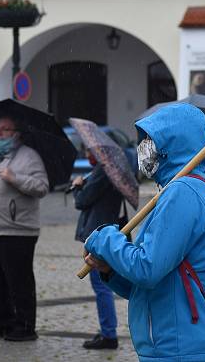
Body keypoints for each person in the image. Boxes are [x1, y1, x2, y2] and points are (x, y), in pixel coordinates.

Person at [83, 103, 205, 362]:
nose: (145, 147)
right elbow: (153, 284)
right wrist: (111, 270)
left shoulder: (184, 192)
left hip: (181, 347)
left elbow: (147, 268)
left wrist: (104, 238)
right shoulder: (177, 191)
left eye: (151, 139)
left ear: (173, 141)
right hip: (170, 345)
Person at [0, 115, 49, 341]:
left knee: (19, 281)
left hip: (17, 230)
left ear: (17, 133)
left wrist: (16, 179)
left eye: (5, 130)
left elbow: (42, 187)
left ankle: (26, 326)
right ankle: (3, 321)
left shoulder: (29, 157)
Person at [72, 150, 124, 350]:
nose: (87, 153)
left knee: (101, 286)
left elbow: (82, 200)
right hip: (104, 231)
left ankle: (109, 334)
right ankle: (106, 331)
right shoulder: (109, 170)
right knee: (102, 285)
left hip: (99, 234)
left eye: (89, 150)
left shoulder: (103, 170)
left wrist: (78, 187)